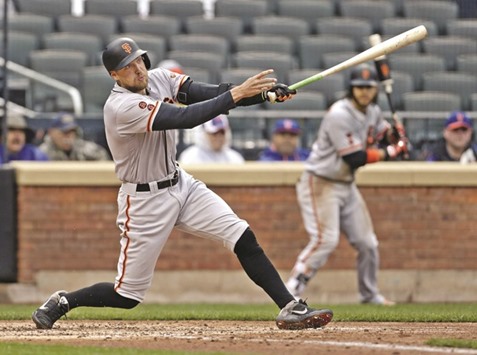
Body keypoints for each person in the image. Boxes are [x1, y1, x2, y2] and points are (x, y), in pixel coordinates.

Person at [31, 37, 333, 331]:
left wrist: (263, 95)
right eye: (127, 66)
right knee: (127, 296)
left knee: (241, 235)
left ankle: (291, 307)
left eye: (139, 60)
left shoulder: (160, 77)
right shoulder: (120, 106)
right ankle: (64, 301)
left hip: (181, 184)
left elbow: (208, 94)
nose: (138, 69)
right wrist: (238, 94)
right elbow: (187, 117)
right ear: (114, 75)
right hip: (144, 201)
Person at [286, 63, 406, 305]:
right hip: (320, 181)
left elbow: (383, 133)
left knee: (367, 243)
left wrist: (396, 134)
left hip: (345, 184)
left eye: (368, 87)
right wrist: (392, 151)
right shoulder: (339, 114)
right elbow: (354, 157)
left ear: (375, 90)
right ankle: (292, 289)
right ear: (351, 89)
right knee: (326, 240)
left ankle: (369, 295)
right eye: (359, 87)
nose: (364, 92)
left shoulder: (372, 111)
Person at [39, 112, 111, 161]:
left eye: (73, 131)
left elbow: (104, 162)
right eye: (65, 132)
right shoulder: (42, 153)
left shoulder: (85, 149)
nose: (69, 136)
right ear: (51, 133)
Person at [178, 114, 245, 164]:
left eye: (222, 132)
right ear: (203, 134)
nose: (219, 137)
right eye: (214, 133)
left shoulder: (235, 158)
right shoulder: (190, 157)